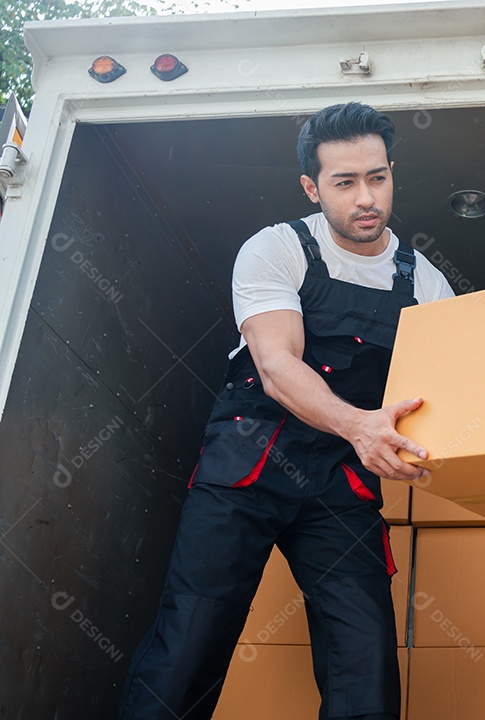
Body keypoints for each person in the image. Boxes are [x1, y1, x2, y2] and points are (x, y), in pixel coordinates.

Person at [118, 102, 453, 720]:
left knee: (366, 666)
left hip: (341, 484)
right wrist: (358, 424)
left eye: (377, 178)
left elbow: (461, 397)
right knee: (190, 642)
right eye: (344, 182)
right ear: (312, 186)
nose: (365, 198)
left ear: (392, 173)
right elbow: (276, 366)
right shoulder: (276, 249)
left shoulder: (425, 283)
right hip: (249, 461)